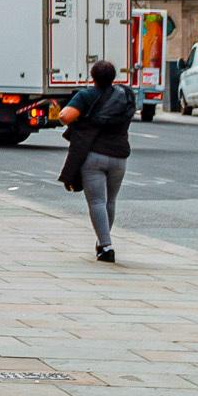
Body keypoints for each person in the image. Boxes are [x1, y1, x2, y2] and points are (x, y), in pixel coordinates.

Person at [57, 56, 138, 261]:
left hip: (94, 155)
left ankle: (105, 245)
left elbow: (65, 116)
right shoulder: (124, 96)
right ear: (113, 77)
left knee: (97, 202)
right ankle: (104, 241)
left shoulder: (87, 95)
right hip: (120, 156)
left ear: (93, 77)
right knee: (110, 201)